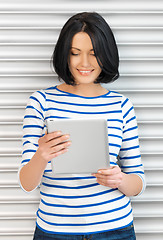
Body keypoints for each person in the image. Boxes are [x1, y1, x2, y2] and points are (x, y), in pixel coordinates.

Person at [18, 12, 145, 240]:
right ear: (64, 55)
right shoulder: (41, 102)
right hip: (55, 231)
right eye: (75, 53)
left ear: (106, 55)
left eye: (94, 54)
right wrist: (41, 155)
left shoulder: (121, 105)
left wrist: (120, 180)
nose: (84, 63)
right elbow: (27, 183)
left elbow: (137, 182)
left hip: (115, 230)